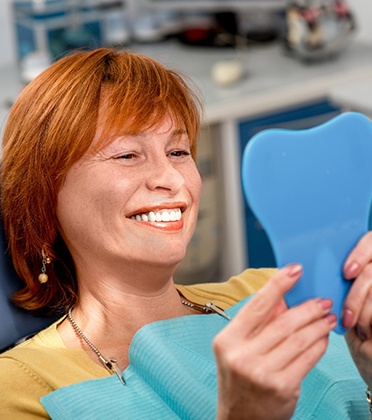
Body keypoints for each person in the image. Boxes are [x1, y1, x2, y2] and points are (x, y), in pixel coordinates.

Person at [0, 47, 372, 419]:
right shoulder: (23, 386)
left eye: (178, 151)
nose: (172, 179)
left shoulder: (278, 292)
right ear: (45, 197)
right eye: (127, 155)